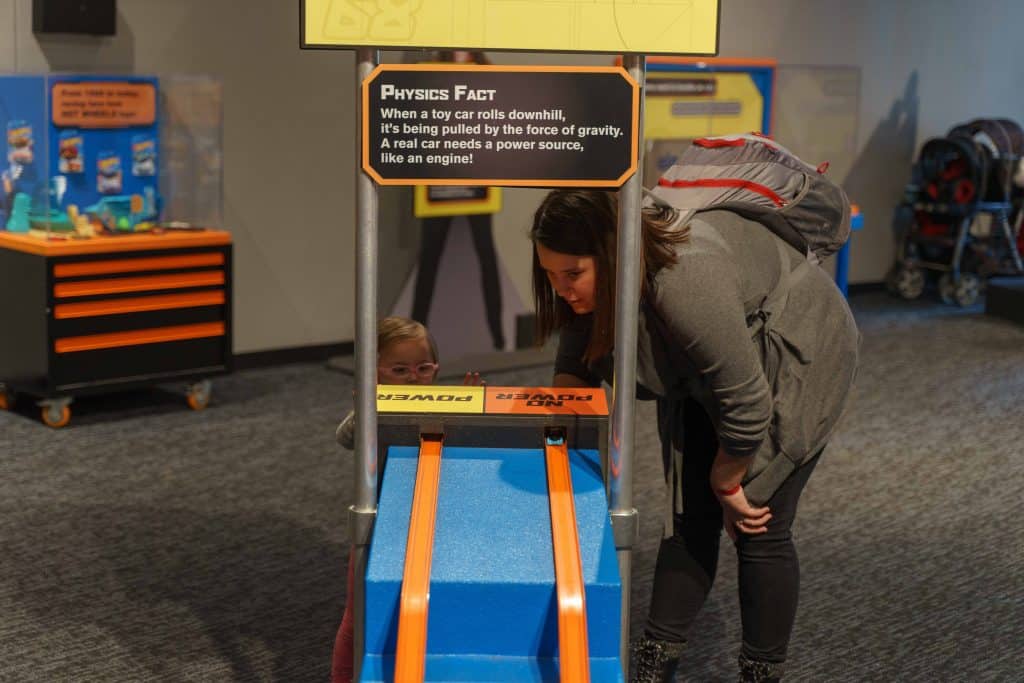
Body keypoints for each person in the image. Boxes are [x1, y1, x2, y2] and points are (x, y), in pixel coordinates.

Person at [530, 190, 859, 682]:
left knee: (757, 524)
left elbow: (747, 404)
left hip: (793, 352)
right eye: (551, 276)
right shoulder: (603, 270)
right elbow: (574, 366)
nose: (562, 290)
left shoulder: (686, 277)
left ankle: (760, 673)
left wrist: (728, 481)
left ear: (610, 253)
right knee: (688, 521)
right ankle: (653, 668)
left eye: (572, 274)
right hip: (711, 362)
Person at [331, 316, 480, 683]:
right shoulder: (374, 403)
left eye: (423, 368)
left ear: (436, 369)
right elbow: (345, 436)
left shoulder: (442, 401)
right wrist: (368, 408)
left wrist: (465, 408)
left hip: (432, 524)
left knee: (427, 607)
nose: (414, 378)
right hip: (376, 527)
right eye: (400, 370)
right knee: (359, 614)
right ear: (377, 372)